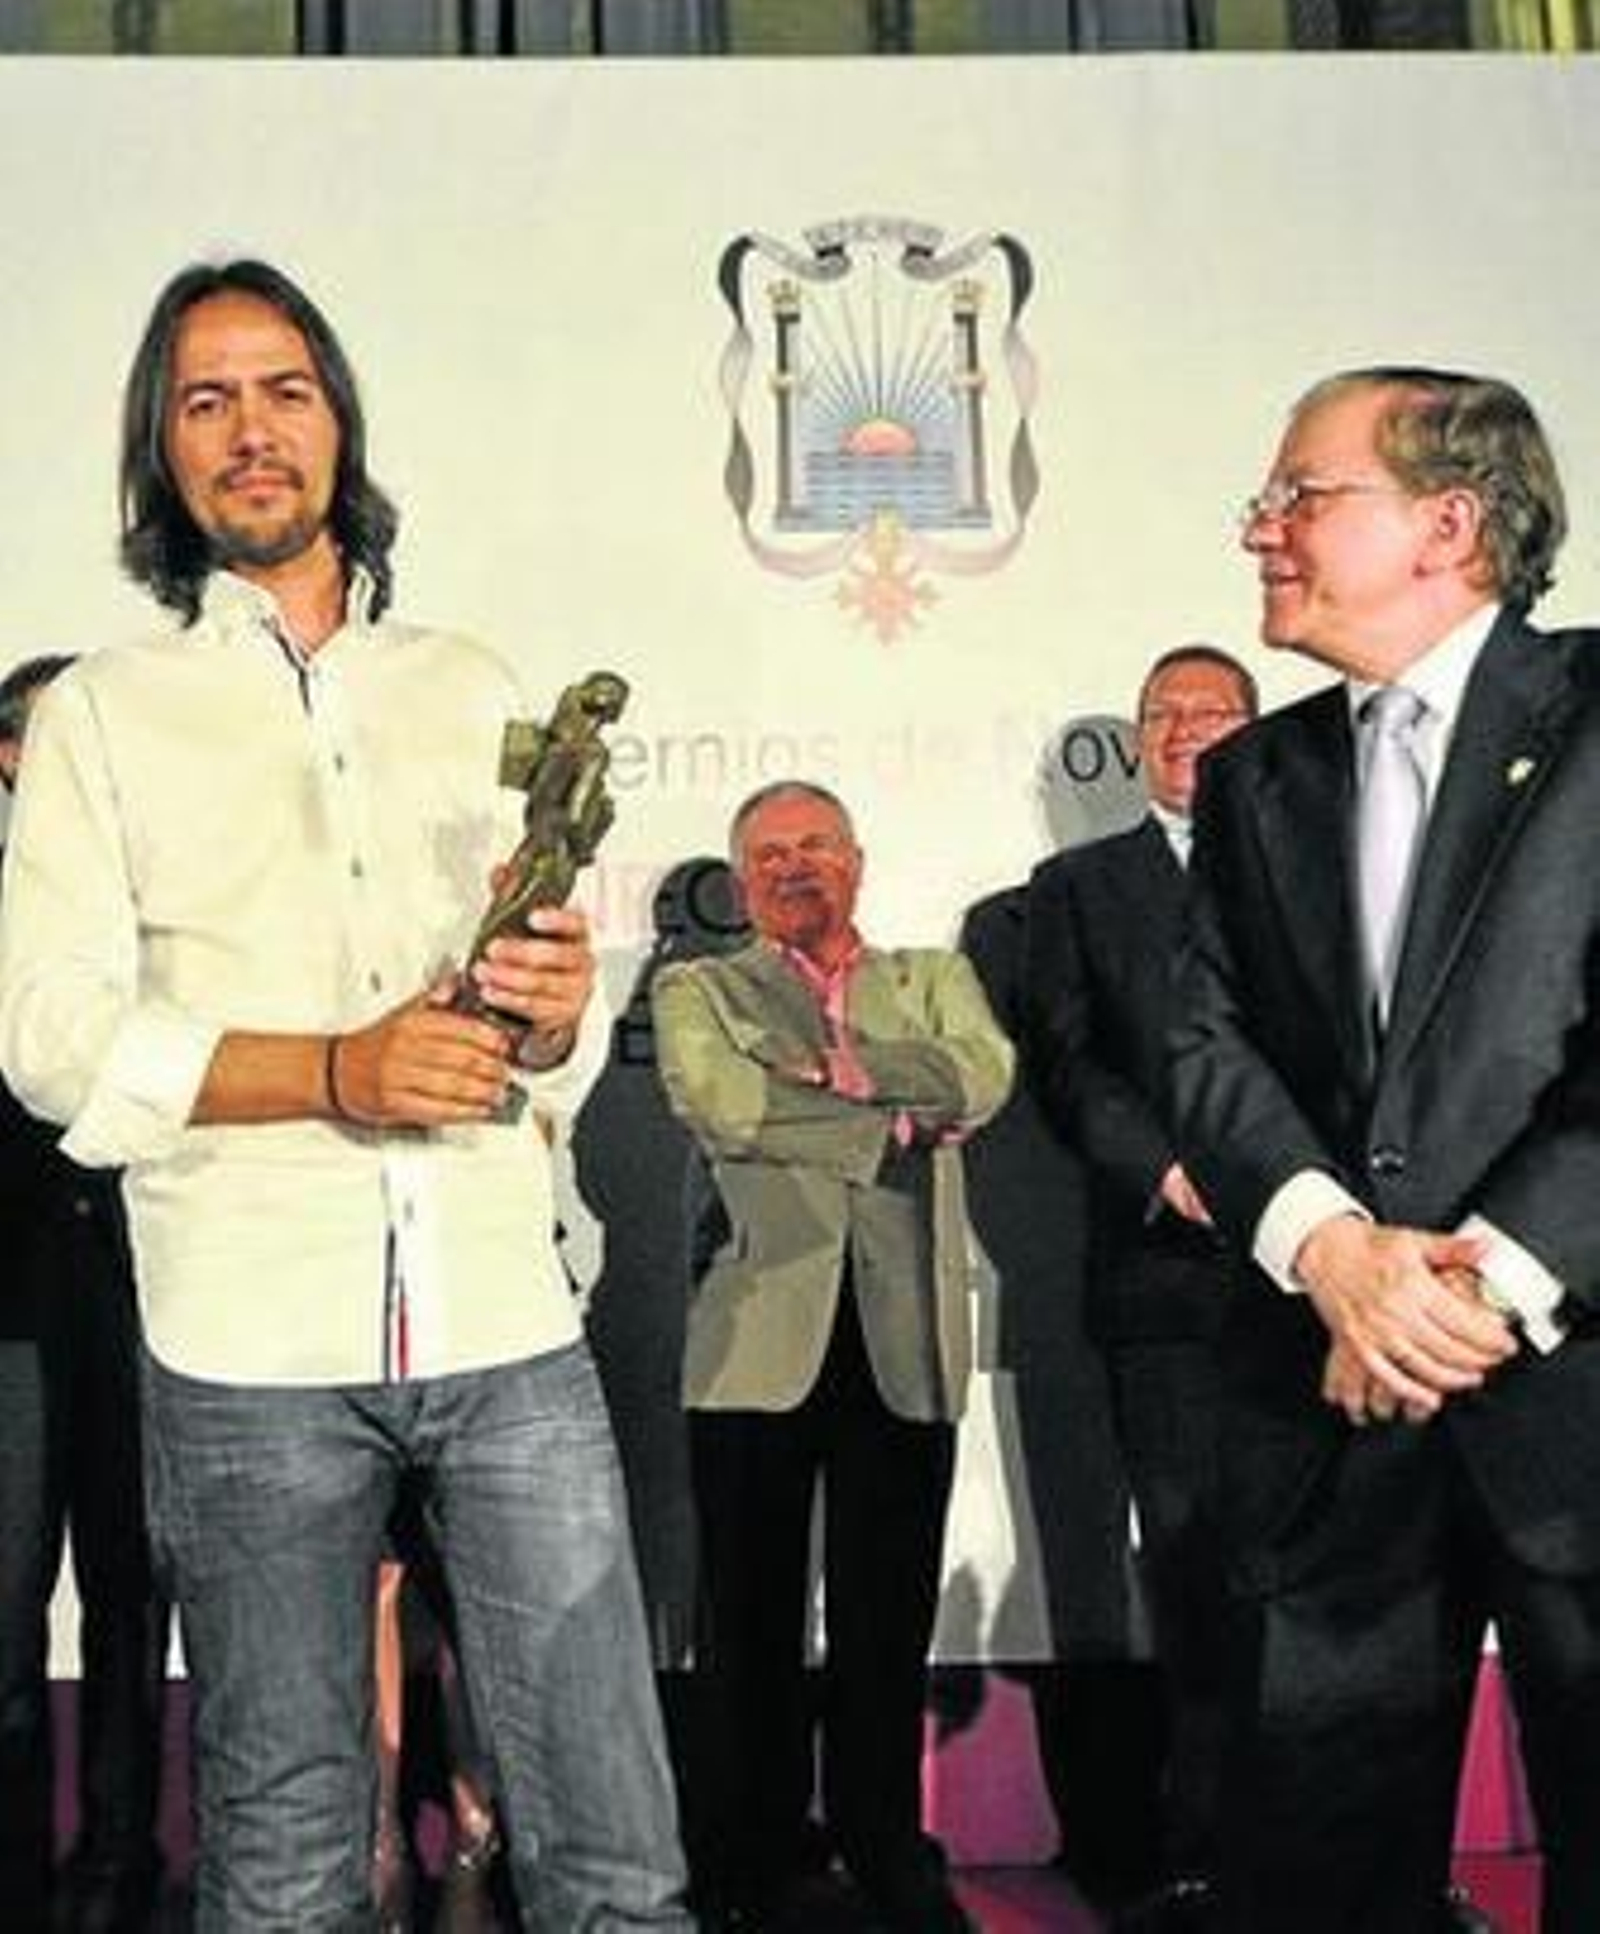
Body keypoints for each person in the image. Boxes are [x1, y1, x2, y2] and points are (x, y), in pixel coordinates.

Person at [0, 258, 689, 1932]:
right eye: (207, 399)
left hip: (505, 1315)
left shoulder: (467, 681)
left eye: (284, 390)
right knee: (287, 1865)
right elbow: (50, 1035)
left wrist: (552, 1010)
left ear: (338, 424)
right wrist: (330, 1070)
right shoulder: (102, 712)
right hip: (249, 1346)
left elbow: (538, 1015)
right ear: (161, 450)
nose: (252, 429)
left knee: (618, 1856)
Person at [1170, 366, 1600, 1934]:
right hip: (1331, 1407)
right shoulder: (1253, 779)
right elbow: (1202, 1044)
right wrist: (1336, 1254)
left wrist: (1472, 1288)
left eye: (1303, 494)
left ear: (1449, 523)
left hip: (1572, 1396)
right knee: (1323, 1882)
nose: (1260, 528)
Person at [652, 781, 1013, 1934]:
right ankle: (747, 1854)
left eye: (813, 845)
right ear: (739, 880)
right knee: (746, 1616)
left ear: (855, 861)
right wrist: (892, 1120)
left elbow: (984, 1072)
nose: (793, 866)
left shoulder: (931, 977)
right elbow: (724, 1104)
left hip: (905, 1335)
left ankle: (883, 1839)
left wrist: (847, 1071)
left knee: (885, 1614)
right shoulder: (699, 988)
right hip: (755, 1338)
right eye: (768, 853)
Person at [1019, 645, 1257, 1931]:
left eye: (1209, 710)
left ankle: (1353, 1857)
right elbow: (1069, 1064)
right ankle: (1207, 1857)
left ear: (1254, 730)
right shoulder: (1075, 888)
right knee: (1194, 1573)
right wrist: (1167, 1172)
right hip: (1166, 1280)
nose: (1184, 729)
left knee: (1348, 1582)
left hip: (1334, 1284)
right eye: (1163, 712)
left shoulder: (1326, 860)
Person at [0, 655, 168, 1934]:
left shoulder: (162, 898)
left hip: (148, 1283)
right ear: (13, 757)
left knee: (133, 1588)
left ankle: (120, 1861)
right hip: (9, 1297)